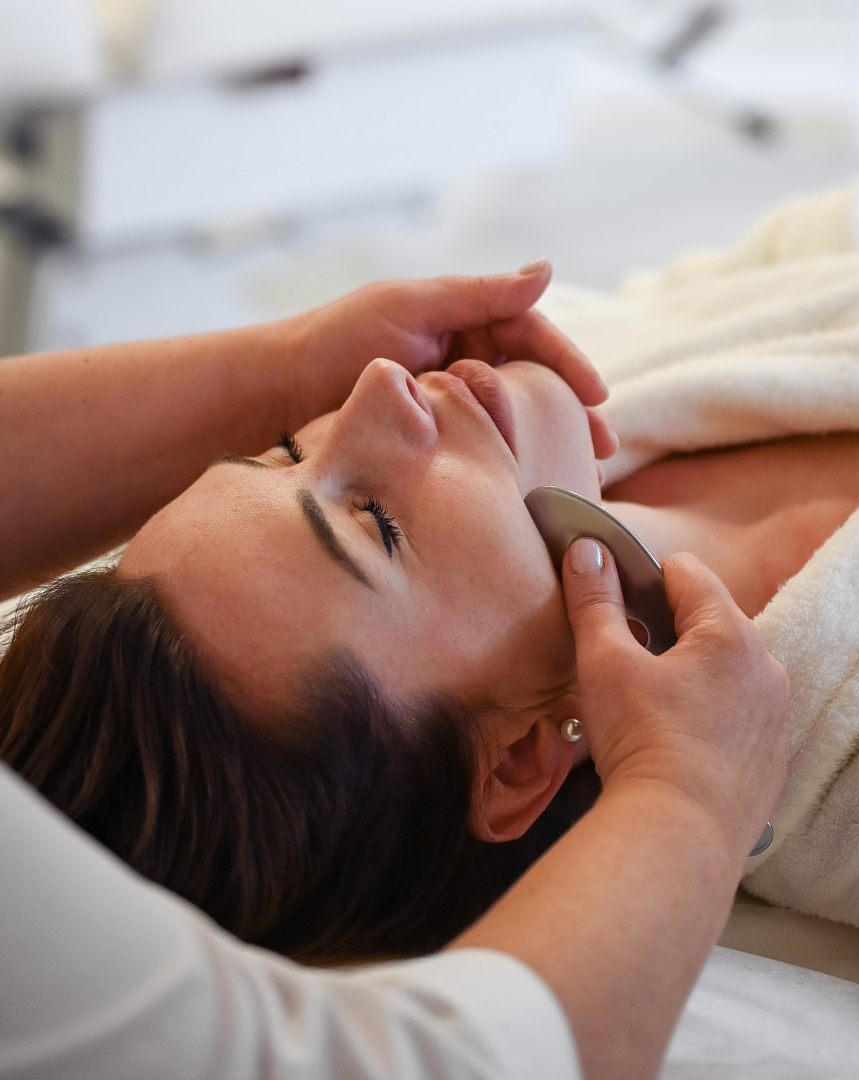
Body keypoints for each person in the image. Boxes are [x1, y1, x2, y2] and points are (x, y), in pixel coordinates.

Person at [0, 261, 789, 1080]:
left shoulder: (592, 363)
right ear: (519, 757)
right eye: (376, 524)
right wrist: (692, 791)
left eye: (280, 450)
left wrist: (287, 363)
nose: (377, 383)